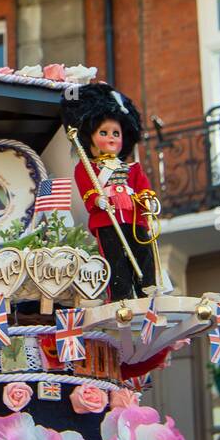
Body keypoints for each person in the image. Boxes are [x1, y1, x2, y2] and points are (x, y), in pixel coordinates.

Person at [61, 82, 159, 301]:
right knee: (115, 258)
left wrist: (148, 201)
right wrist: (97, 201)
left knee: (143, 252)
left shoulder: (132, 168)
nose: (112, 137)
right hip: (108, 219)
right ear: (91, 139)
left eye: (116, 133)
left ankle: (147, 289)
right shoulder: (88, 167)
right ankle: (120, 294)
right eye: (104, 132)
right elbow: (87, 188)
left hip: (134, 218)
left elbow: (142, 187)